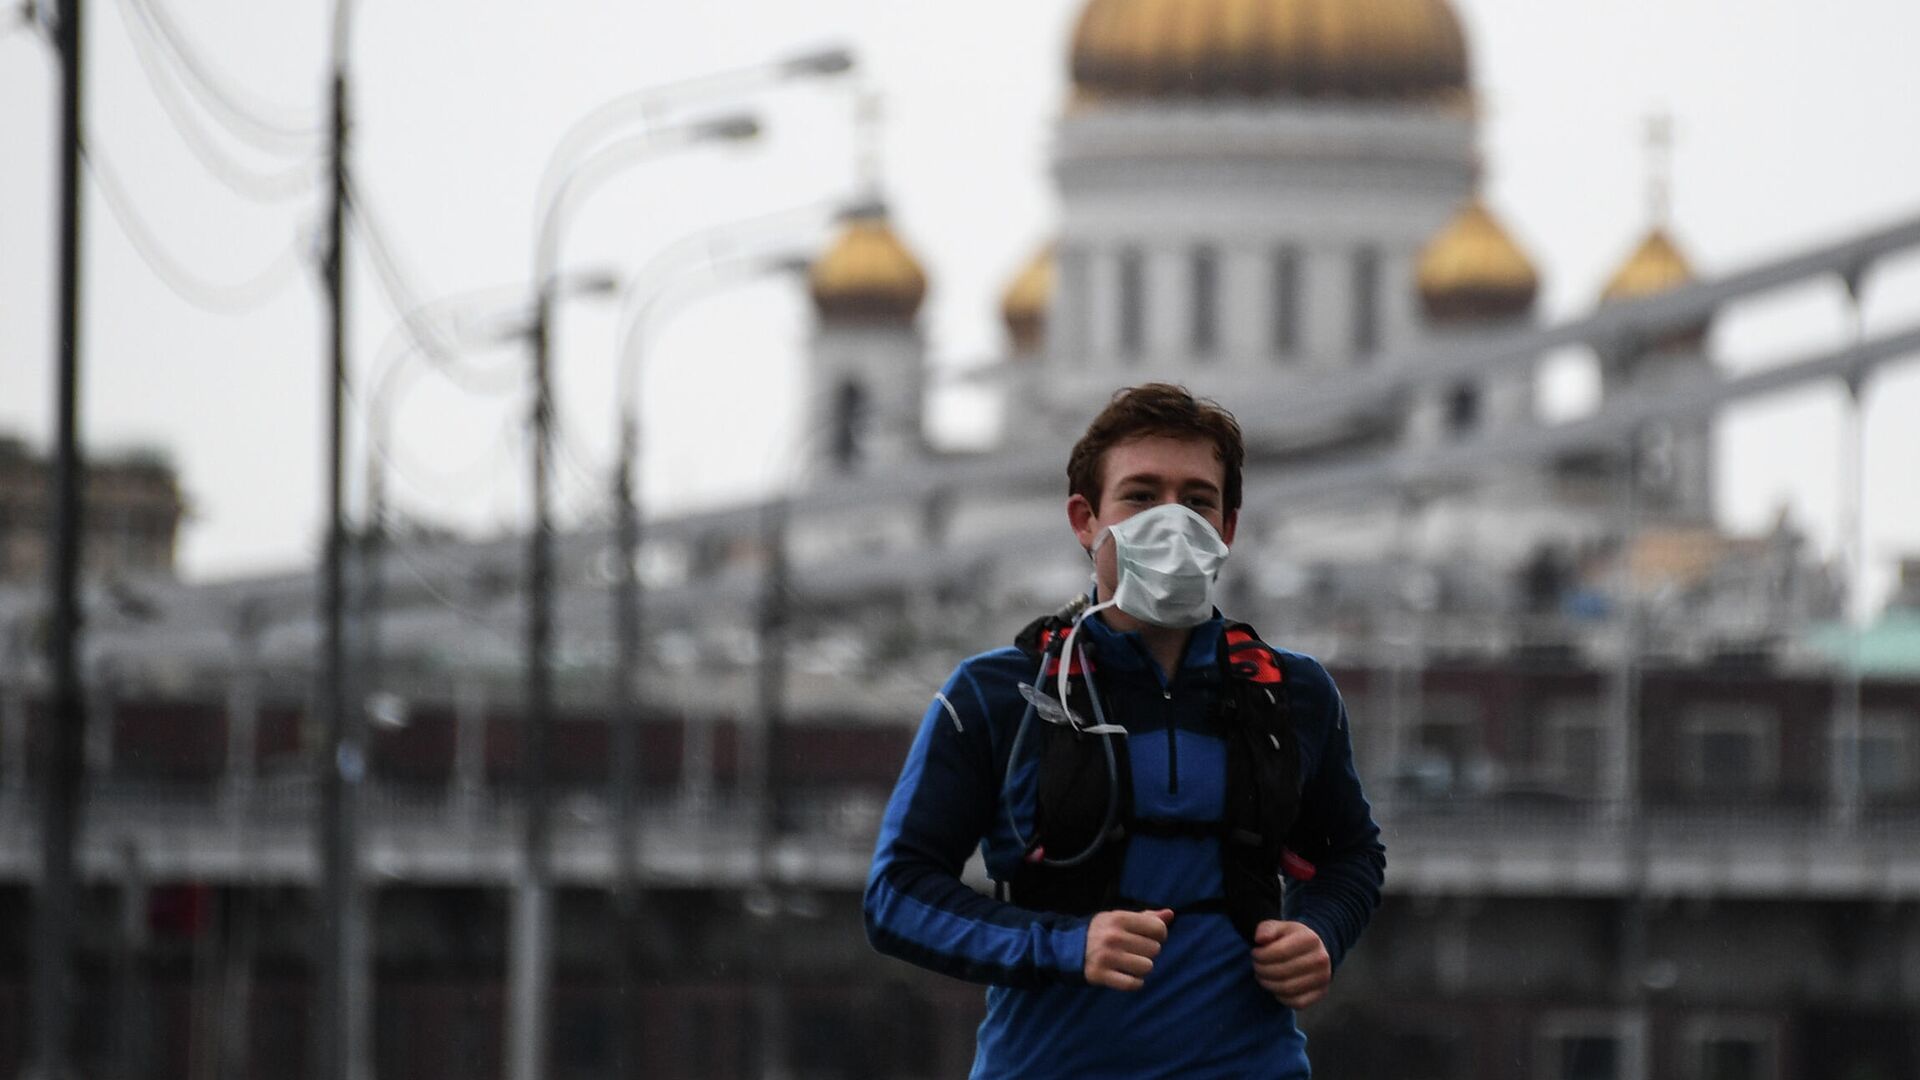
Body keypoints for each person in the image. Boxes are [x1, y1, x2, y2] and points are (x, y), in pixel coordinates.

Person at [863, 383, 1385, 1078]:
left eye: (1197, 501)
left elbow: (1350, 855)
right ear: (1086, 519)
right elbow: (895, 894)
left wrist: (1321, 933)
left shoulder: (1292, 692)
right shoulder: (998, 694)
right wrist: (1063, 946)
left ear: (1227, 527)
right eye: (1141, 496)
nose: (1172, 522)